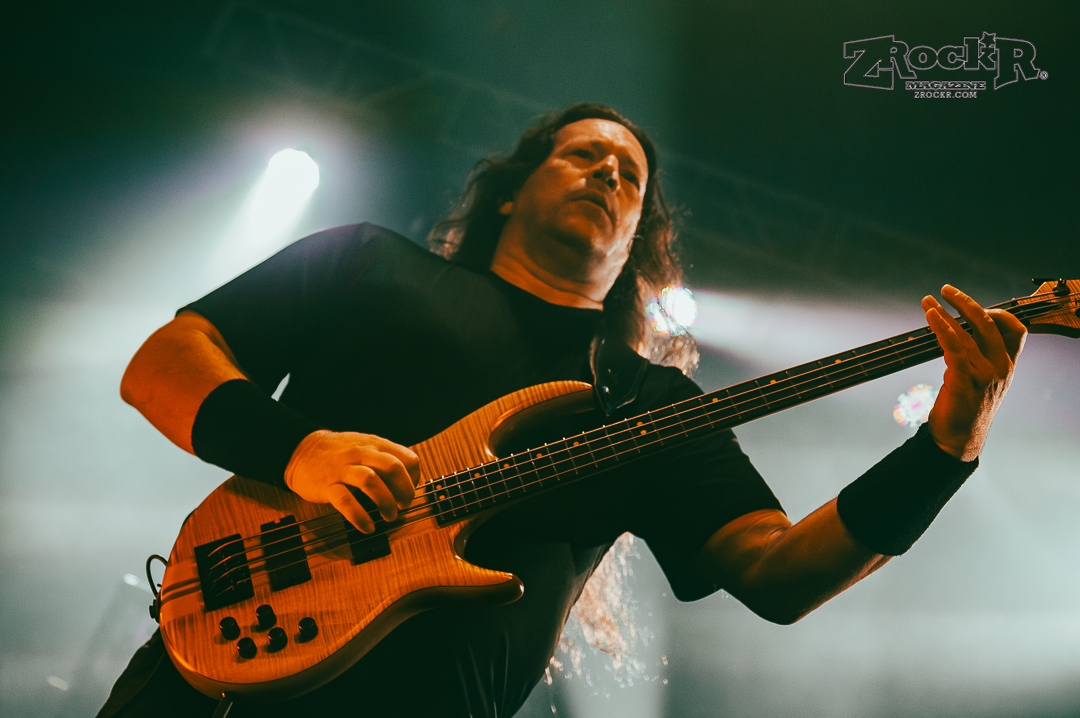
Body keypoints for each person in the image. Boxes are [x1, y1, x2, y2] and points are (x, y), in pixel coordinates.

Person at [96, 103, 1026, 717]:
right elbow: (162, 363)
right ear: (512, 189)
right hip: (213, 674)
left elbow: (777, 572)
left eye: (631, 176)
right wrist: (302, 452)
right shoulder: (368, 262)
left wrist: (947, 445)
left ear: (638, 240)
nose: (609, 173)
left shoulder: (647, 402)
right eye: (585, 154)